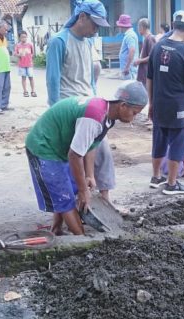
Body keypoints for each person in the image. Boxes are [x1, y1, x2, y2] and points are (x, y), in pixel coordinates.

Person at [25, 81, 148, 235]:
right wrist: (83, 190)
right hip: (44, 146)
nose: (134, 118)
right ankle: (81, 237)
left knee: (67, 189)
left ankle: (56, 230)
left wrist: (89, 175)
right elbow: (75, 155)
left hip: (59, 147)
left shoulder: (108, 116)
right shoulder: (94, 117)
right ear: (123, 105)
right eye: (134, 112)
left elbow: (92, 145)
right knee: (64, 197)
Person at [46, 0, 117, 202]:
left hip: (90, 105)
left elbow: (90, 80)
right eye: (95, 25)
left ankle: (105, 200)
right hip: (69, 108)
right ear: (82, 17)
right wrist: (56, 116)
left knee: (101, 150)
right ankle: (73, 202)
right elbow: (52, 81)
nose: (96, 30)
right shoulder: (59, 41)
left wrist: (97, 102)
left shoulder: (87, 43)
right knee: (73, 157)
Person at [147, 11, 184, 195]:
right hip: (179, 108)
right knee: (178, 143)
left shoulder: (157, 47)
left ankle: (156, 177)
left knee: (159, 140)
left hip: (160, 105)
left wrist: (151, 103)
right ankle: (171, 183)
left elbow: (150, 79)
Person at [133, 18, 156, 86]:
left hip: (147, 73)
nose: (138, 29)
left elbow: (152, 56)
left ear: (142, 27)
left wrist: (139, 61)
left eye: (138, 27)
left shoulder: (150, 38)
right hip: (143, 73)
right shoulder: (146, 39)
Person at [14, 30, 36, 98]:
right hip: (22, 65)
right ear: (19, 38)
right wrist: (19, 55)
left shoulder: (30, 45)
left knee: (31, 77)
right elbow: (15, 54)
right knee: (23, 78)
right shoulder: (18, 45)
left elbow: (33, 53)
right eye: (22, 37)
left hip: (29, 64)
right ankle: (25, 91)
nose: (24, 38)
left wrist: (30, 57)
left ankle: (33, 91)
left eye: (25, 37)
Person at [116, 15, 138, 80]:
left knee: (129, 88)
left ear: (122, 26)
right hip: (129, 68)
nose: (119, 27)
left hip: (129, 69)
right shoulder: (129, 35)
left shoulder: (129, 35)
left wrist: (127, 67)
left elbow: (132, 50)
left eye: (119, 26)